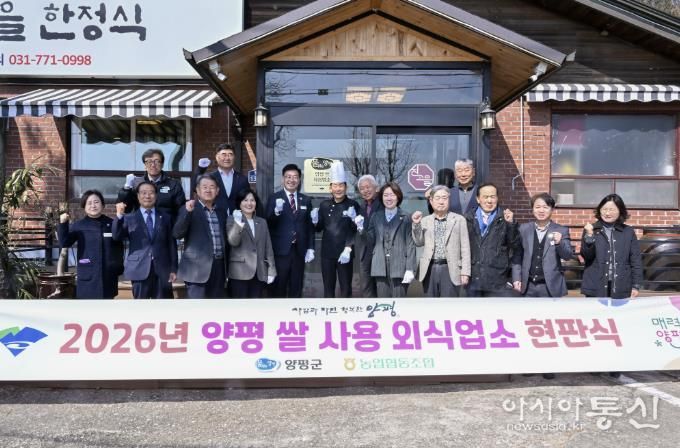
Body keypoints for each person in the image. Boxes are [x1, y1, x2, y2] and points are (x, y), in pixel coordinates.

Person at [112, 182, 178, 299]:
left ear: (156, 196)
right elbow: (116, 236)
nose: (147, 196)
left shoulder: (166, 217)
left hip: (163, 269)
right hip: (139, 268)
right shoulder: (130, 218)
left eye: (151, 193)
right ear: (138, 196)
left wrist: (173, 268)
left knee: (164, 307)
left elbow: (171, 244)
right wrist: (119, 216)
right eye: (143, 193)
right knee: (141, 307)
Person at [58, 190, 124, 299]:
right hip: (87, 275)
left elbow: (119, 246)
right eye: (89, 203)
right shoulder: (79, 225)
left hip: (108, 275)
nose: (93, 206)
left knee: (108, 306)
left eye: (96, 202)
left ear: (103, 205)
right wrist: (63, 224)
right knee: (87, 307)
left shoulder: (111, 223)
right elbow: (65, 242)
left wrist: (117, 266)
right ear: (84, 206)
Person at [173, 175, 228, 298]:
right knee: (197, 307)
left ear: (217, 191)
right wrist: (187, 212)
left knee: (217, 305)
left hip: (219, 266)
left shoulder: (221, 211)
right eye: (204, 187)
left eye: (212, 187)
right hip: (196, 268)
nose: (208, 190)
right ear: (197, 190)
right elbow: (177, 233)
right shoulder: (189, 208)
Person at [265, 164, 315, 298]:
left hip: (299, 251)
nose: (291, 180)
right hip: (280, 251)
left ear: (299, 180)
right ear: (283, 179)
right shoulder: (274, 198)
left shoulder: (306, 200)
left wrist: (311, 247)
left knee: (296, 287)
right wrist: (276, 212)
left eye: (295, 177)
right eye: (288, 177)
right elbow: (268, 223)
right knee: (278, 288)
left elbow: (309, 226)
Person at [512, 193, 575, 298]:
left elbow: (567, 256)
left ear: (552, 209)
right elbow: (517, 256)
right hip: (527, 286)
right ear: (532, 209)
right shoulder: (523, 229)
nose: (541, 210)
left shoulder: (561, 230)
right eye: (537, 207)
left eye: (545, 207)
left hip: (550, 286)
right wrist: (516, 278)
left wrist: (559, 243)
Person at [412, 185, 471, 297]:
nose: (441, 201)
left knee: (449, 304)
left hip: (451, 269)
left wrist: (465, 272)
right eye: (437, 198)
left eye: (444, 198)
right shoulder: (425, 220)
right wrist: (416, 225)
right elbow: (418, 242)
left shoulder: (459, 220)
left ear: (449, 200)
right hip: (429, 268)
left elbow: (465, 248)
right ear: (431, 201)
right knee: (430, 304)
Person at [312, 162, 359, 298]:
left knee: (346, 289)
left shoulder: (353, 204)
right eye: (335, 185)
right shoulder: (324, 205)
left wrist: (348, 248)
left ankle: (345, 311)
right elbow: (319, 228)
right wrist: (315, 221)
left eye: (341, 185)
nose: (338, 189)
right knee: (328, 288)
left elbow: (354, 229)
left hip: (345, 252)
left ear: (346, 187)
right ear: (330, 188)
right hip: (327, 253)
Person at [581, 194, 642, 300]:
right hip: (596, 285)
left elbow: (635, 260)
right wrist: (589, 236)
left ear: (620, 211)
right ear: (599, 210)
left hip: (621, 285)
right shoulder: (591, 229)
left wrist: (636, 285)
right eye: (604, 209)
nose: (607, 213)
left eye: (612, 209)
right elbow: (587, 256)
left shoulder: (628, 232)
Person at [465, 182, 521, 297]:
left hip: (497, 279)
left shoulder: (505, 218)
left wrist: (511, 224)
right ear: (478, 199)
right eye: (485, 197)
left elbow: (515, 245)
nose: (489, 201)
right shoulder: (467, 219)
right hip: (472, 278)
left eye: (492, 197)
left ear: (497, 198)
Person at [361, 182, 416, 298]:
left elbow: (410, 244)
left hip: (399, 267)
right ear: (381, 198)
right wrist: (361, 228)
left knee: (399, 303)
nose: (388, 198)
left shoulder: (406, 217)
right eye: (385, 195)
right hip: (379, 266)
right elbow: (370, 241)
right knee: (383, 303)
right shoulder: (376, 216)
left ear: (398, 197)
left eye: (392, 195)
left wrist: (410, 268)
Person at [227, 189, 277, 298]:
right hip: (240, 273)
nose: (249, 203)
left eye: (252, 200)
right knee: (240, 305)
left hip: (259, 272)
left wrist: (271, 270)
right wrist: (238, 223)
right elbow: (233, 242)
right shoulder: (232, 219)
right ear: (239, 203)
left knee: (255, 305)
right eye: (245, 200)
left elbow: (268, 247)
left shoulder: (262, 222)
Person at [117, 148, 186, 222]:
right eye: (149, 161)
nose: (153, 165)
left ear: (162, 164)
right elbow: (125, 206)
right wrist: (126, 188)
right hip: (140, 225)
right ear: (145, 165)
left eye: (157, 161)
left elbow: (181, 211)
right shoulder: (137, 183)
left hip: (167, 226)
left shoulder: (174, 185)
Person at [194, 143, 250, 216]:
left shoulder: (242, 179)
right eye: (224, 154)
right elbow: (195, 188)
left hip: (237, 219)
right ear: (217, 157)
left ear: (234, 157)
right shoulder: (210, 177)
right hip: (214, 217)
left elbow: (247, 198)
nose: (227, 158)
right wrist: (200, 170)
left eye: (230, 154)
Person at [355, 174, 382, 297]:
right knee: (366, 289)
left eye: (368, 187)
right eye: (362, 188)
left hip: (380, 251)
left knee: (381, 288)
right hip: (365, 253)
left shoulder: (383, 204)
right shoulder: (361, 207)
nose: (365, 190)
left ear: (376, 188)